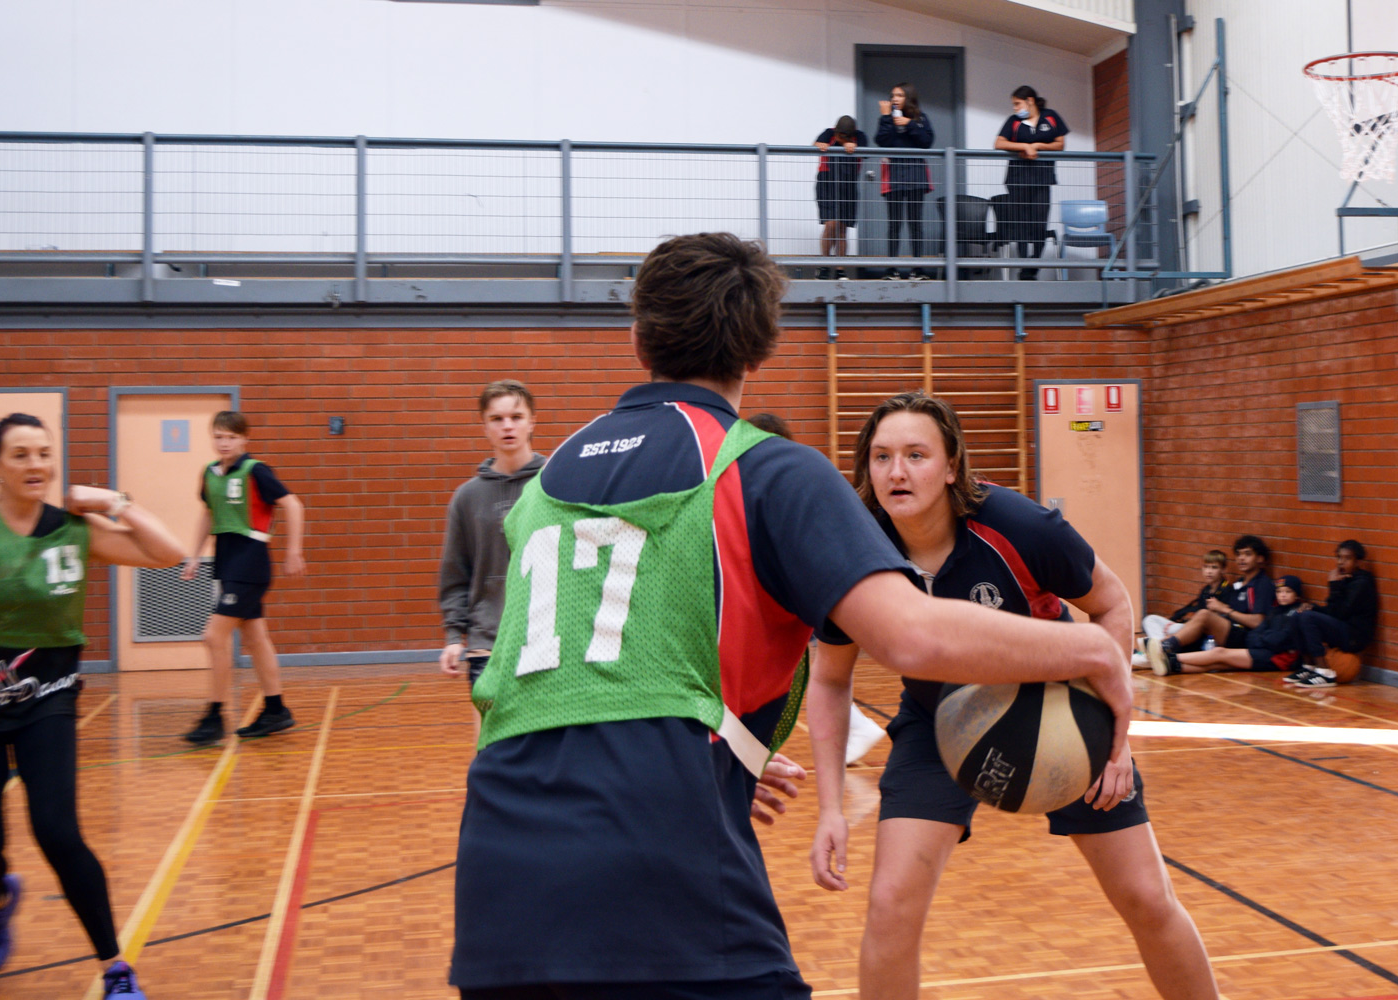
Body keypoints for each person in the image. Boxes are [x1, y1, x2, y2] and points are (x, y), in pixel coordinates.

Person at [449, 233, 1133, 999]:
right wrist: (1092, 655)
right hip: (656, 843)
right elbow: (912, 632)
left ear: (637, 338)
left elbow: (574, 669)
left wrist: (730, 745)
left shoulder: (546, 483)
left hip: (497, 862)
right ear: (758, 349)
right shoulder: (760, 463)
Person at [806, 391, 1218, 1000]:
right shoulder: (856, 552)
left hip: (1061, 707)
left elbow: (1112, 604)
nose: (897, 472)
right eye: (882, 457)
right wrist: (831, 807)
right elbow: (830, 677)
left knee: (1145, 896)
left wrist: (1116, 739)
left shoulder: (1018, 526)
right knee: (891, 905)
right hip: (936, 719)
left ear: (951, 466)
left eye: (917, 455)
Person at [0, 413, 185, 997]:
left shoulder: (72, 529)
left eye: (43, 453)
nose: (36, 465)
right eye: (20, 455)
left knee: (58, 833)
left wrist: (114, 499)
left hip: (47, 700)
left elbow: (169, 553)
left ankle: (116, 968)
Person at [745, 411, 886, 765]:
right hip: (791, 589)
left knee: (800, 671)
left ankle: (852, 726)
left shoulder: (781, 485)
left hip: (800, 588)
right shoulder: (770, 483)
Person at [181, 411, 306, 744]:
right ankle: (276, 709)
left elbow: (293, 505)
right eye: (219, 436)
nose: (224, 443)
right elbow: (208, 515)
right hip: (226, 560)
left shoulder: (256, 471)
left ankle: (214, 716)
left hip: (250, 561)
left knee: (213, 636)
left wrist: (293, 550)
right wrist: (194, 556)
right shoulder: (209, 473)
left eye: (231, 437)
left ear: (244, 439)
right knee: (256, 639)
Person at [438, 380, 546, 730]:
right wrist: (455, 636)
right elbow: (456, 573)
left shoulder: (555, 484)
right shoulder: (466, 497)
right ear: (485, 426)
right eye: (497, 419)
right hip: (489, 642)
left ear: (532, 422)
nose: (508, 426)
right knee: (490, 751)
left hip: (548, 638)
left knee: (546, 751)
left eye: (516, 416)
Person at [1147, 535, 1272, 676]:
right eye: (1238, 554)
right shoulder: (1239, 583)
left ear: (1260, 558)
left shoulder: (1262, 584)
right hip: (1229, 632)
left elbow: (1258, 622)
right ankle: (1164, 658)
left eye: (1247, 554)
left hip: (1247, 638)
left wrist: (1225, 610)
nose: (1241, 558)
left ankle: (1164, 647)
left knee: (1204, 615)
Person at [1162, 575, 1311, 675]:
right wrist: (1262, 640)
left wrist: (1263, 639)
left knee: (1219, 653)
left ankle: (1170, 657)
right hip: (1263, 650)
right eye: (1279, 591)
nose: (1283, 595)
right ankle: (1174, 666)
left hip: (1277, 659)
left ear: (1297, 595)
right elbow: (1254, 634)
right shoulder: (1274, 611)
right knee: (1220, 664)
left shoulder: (1297, 613)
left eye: (1288, 591)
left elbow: (1280, 639)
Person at [994, 85, 1069, 280]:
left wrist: (1038, 146)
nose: (1015, 108)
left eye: (1017, 104)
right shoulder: (1014, 121)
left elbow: (1060, 144)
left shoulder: (1050, 116)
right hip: (1017, 179)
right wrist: (1024, 146)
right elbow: (999, 143)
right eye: (1013, 105)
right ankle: (1023, 263)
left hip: (1042, 179)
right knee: (1020, 223)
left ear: (1030, 100)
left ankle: (1034, 264)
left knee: (1039, 222)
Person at [1285, 540, 1379, 689]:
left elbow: (1340, 613)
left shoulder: (1362, 583)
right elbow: (1332, 609)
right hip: (1343, 627)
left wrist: (1334, 586)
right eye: (1339, 558)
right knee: (1299, 613)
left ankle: (1324, 672)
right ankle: (1308, 666)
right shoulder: (1345, 580)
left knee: (1307, 617)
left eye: (1347, 559)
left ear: (1358, 561)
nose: (1341, 563)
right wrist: (1312, 607)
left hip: (1355, 636)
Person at [875, 83, 934, 280]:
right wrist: (887, 119)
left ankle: (918, 268)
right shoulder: (887, 118)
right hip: (894, 177)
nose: (895, 99)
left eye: (899, 95)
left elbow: (927, 141)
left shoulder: (920, 118)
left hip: (916, 176)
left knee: (915, 223)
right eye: (893, 95)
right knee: (894, 224)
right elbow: (882, 141)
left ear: (908, 97)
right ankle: (892, 268)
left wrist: (908, 124)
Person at [814, 116, 869, 280]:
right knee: (830, 224)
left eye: (844, 138)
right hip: (827, 180)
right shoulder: (828, 133)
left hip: (848, 184)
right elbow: (817, 143)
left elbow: (866, 153)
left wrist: (854, 146)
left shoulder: (859, 136)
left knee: (842, 228)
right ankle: (824, 266)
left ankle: (840, 268)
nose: (839, 139)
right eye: (838, 136)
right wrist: (822, 145)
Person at [1141, 549, 1231, 643]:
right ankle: (1159, 644)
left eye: (1214, 567)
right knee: (1149, 619)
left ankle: (1159, 644)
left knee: (1173, 629)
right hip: (1188, 625)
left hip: (1200, 631)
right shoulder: (1206, 590)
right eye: (1206, 567)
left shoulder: (1226, 590)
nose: (1209, 571)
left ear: (1223, 570)